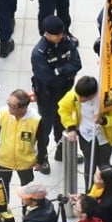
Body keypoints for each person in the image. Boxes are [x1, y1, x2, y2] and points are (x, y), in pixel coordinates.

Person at [31, 16, 81, 168]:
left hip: (65, 92)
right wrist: (65, 74)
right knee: (45, 127)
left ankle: (62, 152)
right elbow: (48, 78)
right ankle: (42, 157)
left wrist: (60, 71)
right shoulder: (39, 53)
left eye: (62, 33)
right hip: (47, 95)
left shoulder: (66, 42)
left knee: (63, 123)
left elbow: (77, 64)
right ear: (47, 33)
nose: (61, 36)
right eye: (57, 34)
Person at [59, 76, 112, 189]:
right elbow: (63, 109)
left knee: (105, 167)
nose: (80, 99)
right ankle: (89, 192)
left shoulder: (109, 96)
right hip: (86, 136)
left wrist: (103, 120)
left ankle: (106, 191)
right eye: (78, 95)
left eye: (83, 97)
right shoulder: (74, 95)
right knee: (89, 167)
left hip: (105, 139)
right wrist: (71, 127)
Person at [0, 89, 48, 199]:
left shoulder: (36, 120)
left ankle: (26, 211)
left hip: (25, 162)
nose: (9, 107)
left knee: (27, 191)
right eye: (8, 103)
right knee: (2, 188)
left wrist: (40, 161)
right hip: (4, 158)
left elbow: (42, 142)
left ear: (23, 107)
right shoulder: (2, 113)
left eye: (12, 106)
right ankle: (4, 212)